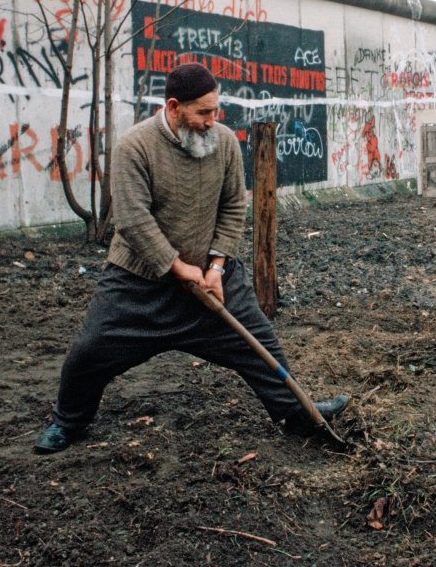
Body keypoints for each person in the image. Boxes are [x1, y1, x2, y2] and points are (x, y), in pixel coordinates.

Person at [35, 63, 348, 453]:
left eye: (216, 111)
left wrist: (216, 267)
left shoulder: (224, 143)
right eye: (203, 112)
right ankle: (67, 423)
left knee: (257, 343)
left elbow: (234, 205)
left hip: (210, 277)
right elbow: (133, 220)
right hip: (139, 284)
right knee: (90, 351)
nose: (212, 121)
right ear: (173, 107)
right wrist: (177, 267)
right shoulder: (135, 147)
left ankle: (297, 413)